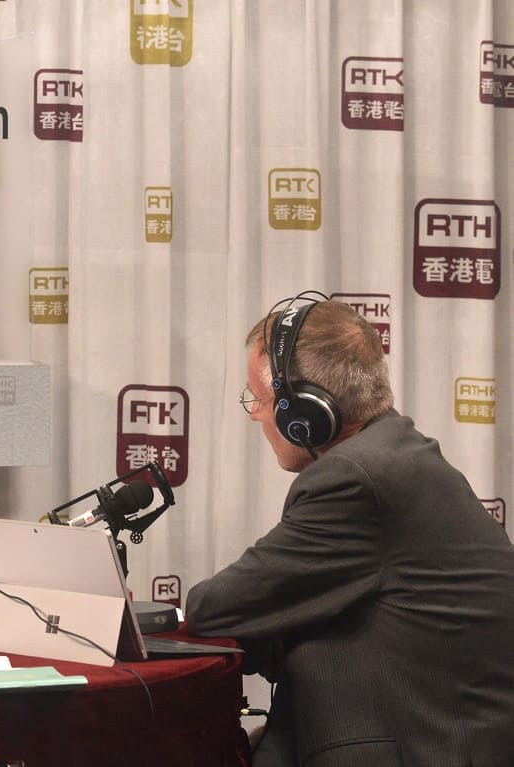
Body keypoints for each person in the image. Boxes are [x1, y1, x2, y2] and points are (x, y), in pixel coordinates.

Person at [186, 295, 514, 766]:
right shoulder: (397, 452)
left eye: (259, 399)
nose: (255, 414)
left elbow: (213, 607)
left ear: (304, 412)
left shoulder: (357, 479)